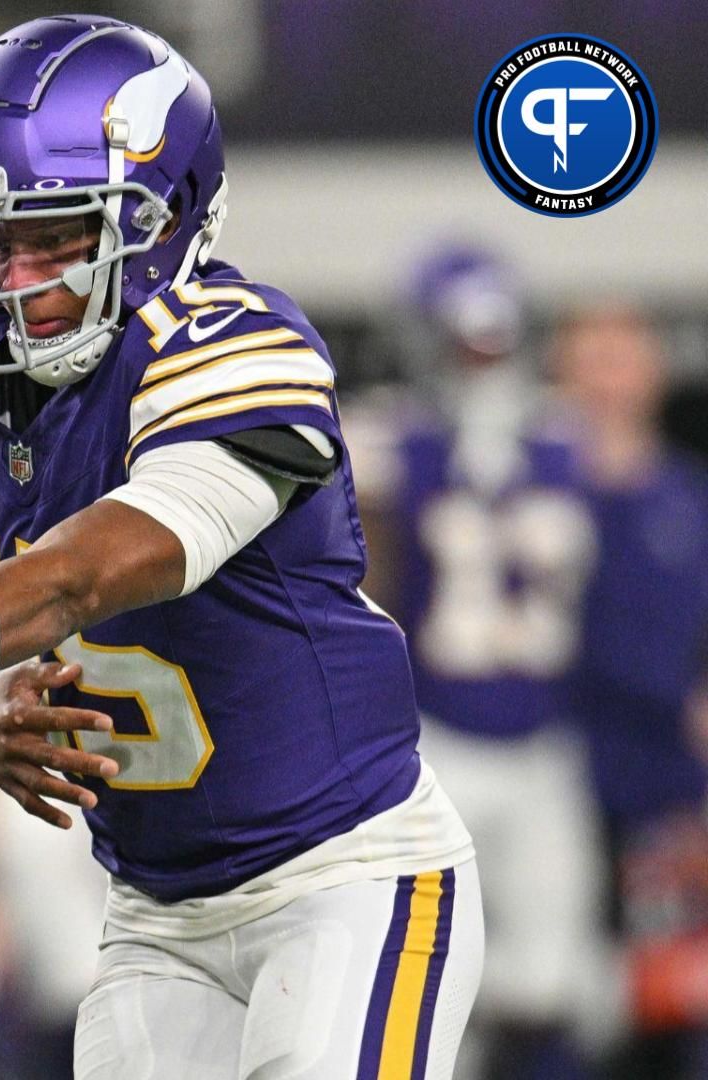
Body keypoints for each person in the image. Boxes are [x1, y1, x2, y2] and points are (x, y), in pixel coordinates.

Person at [0, 17, 482, 1078]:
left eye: (58, 236)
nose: (19, 277)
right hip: (157, 912)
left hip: (346, 879)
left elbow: (88, 571)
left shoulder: (242, 348)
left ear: (166, 217)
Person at [351, 247, 613, 1080]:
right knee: (426, 989)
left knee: (549, 985)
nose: (485, 365)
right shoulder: (386, 443)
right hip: (436, 744)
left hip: (544, 744)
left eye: (495, 345)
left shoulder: (567, 441)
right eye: (467, 346)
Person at [554, 304, 708, 1080]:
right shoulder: (531, 492)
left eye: (624, 356)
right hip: (555, 779)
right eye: (592, 356)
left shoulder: (687, 498)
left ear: (653, 371)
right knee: (550, 1001)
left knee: (676, 1005)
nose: (608, 377)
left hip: (668, 796)